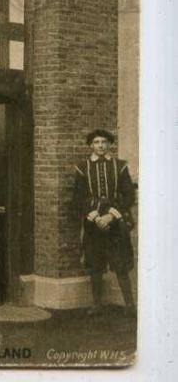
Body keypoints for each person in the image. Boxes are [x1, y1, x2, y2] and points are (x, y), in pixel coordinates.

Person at [73, 129, 136, 316]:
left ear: (110, 145)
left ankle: (130, 306)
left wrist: (111, 215)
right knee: (95, 264)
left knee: (121, 263)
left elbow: (128, 195)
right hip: (94, 224)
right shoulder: (82, 167)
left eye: (104, 142)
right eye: (96, 142)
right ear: (91, 145)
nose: (100, 146)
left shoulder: (120, 166)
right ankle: (97, 304)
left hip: (115, 222)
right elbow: (77, 198)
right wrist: (94, 216)